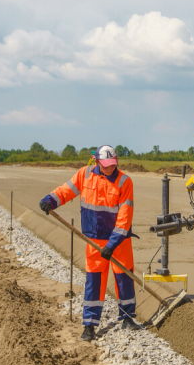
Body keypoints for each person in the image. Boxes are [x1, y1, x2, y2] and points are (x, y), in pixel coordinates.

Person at [39, 145, 135, 341]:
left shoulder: (125, 181)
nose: (110, 169)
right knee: (94, 281)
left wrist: (112, 243)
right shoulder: (85, 174)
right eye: (106, 165)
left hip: (119, 240)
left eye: (113, 165)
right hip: (94, 239)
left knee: (124, 278)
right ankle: (90, 325)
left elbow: (124, 218)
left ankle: (127, 317)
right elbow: (66, 191)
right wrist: (50, 200)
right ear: (97, 162)